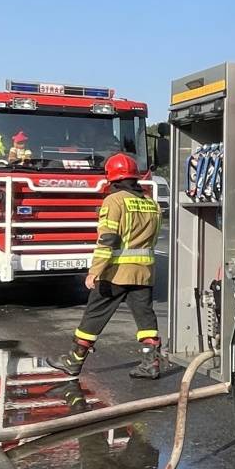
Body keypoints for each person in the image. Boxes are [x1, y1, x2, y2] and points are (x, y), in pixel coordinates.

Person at [62, 153, 165, 379]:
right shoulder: (151, 203)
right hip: (144, 272)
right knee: (145, 318)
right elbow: (154, 238)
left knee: (94, 315)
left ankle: (73, 361)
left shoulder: (114, 200)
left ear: (112, 178)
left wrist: (94, 271)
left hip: (116, 273)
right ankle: (151, 363)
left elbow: (107, 240)